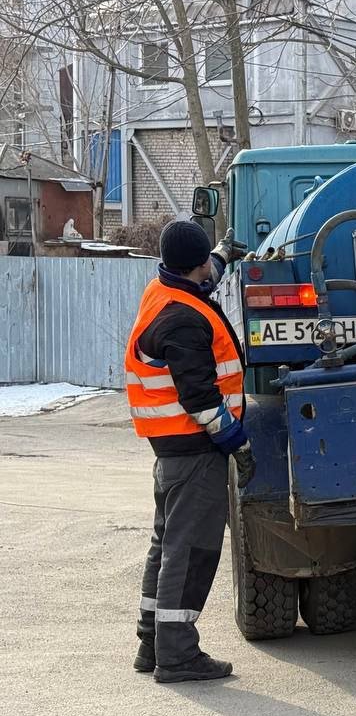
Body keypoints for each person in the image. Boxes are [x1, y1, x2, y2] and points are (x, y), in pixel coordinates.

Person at [125, 220, 251, 683]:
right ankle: (176, 655)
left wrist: (220, 255)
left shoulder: (163, 289)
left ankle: (151, 644)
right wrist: (237, 443)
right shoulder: (183, 320)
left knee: (166, 545)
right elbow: (200, 398)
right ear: (194, 265)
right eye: (207, 262)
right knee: (191, 549)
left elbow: (201, 275)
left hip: (172, 451)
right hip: (194, 449)